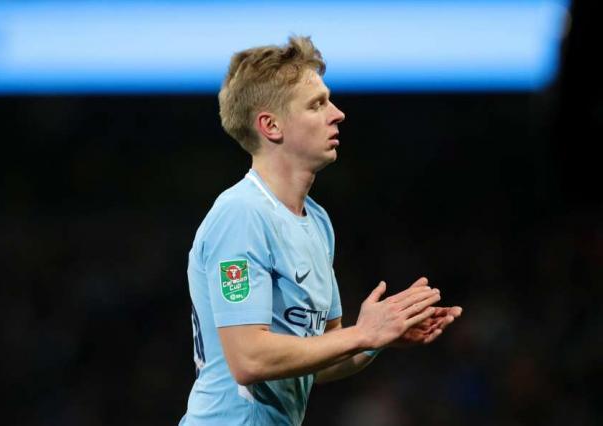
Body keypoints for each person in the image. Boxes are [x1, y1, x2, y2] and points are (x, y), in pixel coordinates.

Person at [180, 36, 462, 425]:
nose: (338, 114)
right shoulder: (241, 214)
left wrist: (379, 339)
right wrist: (363, 334)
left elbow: (318, 361)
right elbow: (249, 359)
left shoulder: (316, 221)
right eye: (317, 104)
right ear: (271, 125)